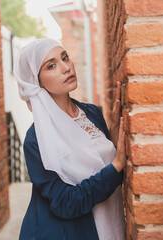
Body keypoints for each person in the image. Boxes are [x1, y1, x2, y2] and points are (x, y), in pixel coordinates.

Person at [13, 38, 126, 240]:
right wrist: (117, 165)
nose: (66, 68)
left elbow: (100, 167)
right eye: (51, 66)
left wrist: (114, 140)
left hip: (110, 220)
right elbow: (65, 202)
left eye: (65, 58)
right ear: (36, 81)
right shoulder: (36, 139)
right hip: (70, 232)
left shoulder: (92, 113)